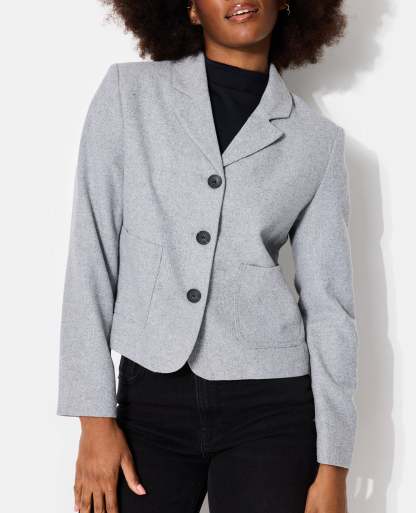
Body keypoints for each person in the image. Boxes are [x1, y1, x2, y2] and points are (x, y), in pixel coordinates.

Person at [57, 1, 359, 512]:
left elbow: (331, 307)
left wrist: (334, 466)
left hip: (271, 409)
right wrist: (94, 419)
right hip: (148, 401)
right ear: (192, 10)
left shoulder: (317, 142)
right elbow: (91, 253)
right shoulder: (130, 95)